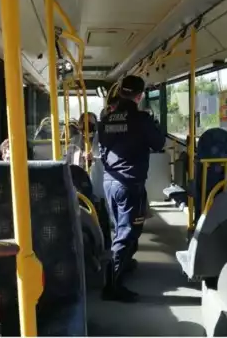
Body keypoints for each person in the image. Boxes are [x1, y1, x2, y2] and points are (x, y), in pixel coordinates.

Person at [98, 75, 166, 302]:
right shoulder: (141, 119)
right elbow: (158, 143)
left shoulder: (107, 117)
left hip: (110, 181)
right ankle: (113, 285)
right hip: (129, 184)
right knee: (127, 233)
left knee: (118, 229)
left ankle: (123, 264)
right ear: (139, 96)